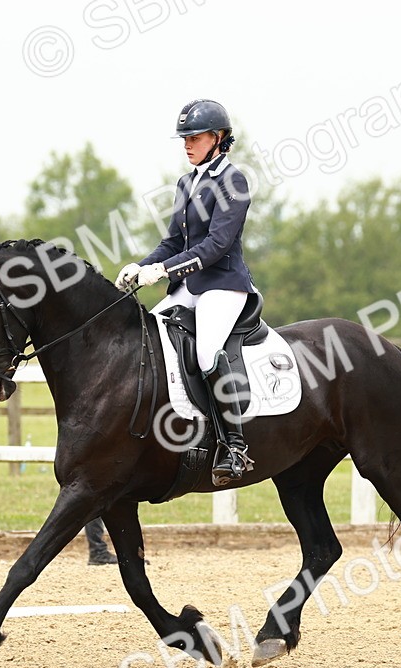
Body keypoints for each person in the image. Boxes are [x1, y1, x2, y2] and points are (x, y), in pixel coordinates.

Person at [117, 98, 257, 485]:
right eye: (185, 138)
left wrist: (164, 271)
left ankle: (234, 446)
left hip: (223, 286)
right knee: (145, 338)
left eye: (194, 137)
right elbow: (174, 241)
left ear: (219, 138)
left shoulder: (234, 181)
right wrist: (142, 266)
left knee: (207, 352)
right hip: (190, 287)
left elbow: (216, 245)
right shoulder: (186, 182)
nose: (187, 144)